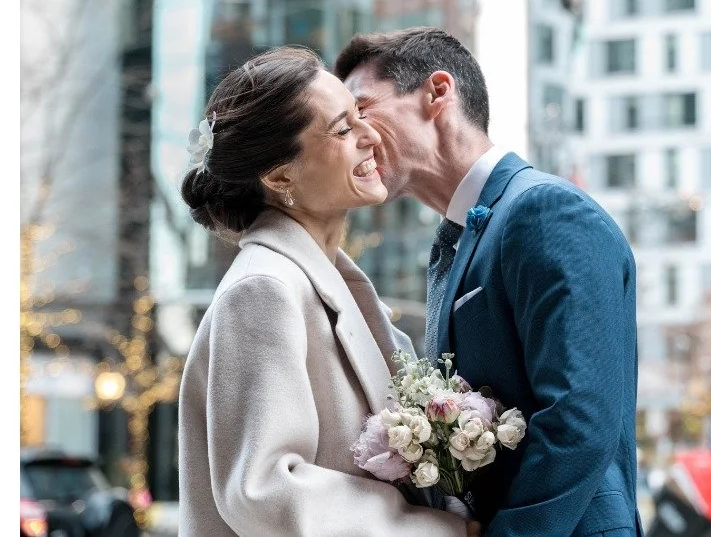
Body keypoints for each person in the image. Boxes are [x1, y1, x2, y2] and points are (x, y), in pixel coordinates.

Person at [336, 27, 643, 537]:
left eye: (362, 110)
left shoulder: (546, 211)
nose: (355, 138)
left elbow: (579, 418)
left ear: (437, 92)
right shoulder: (452, 243)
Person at [177, 46, 479, 537]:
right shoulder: (264, 289)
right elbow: (262, 490)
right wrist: (437, 530)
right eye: (342, 130)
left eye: (361, 114)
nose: (370, 135)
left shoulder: (330, 282)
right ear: (280, 176)